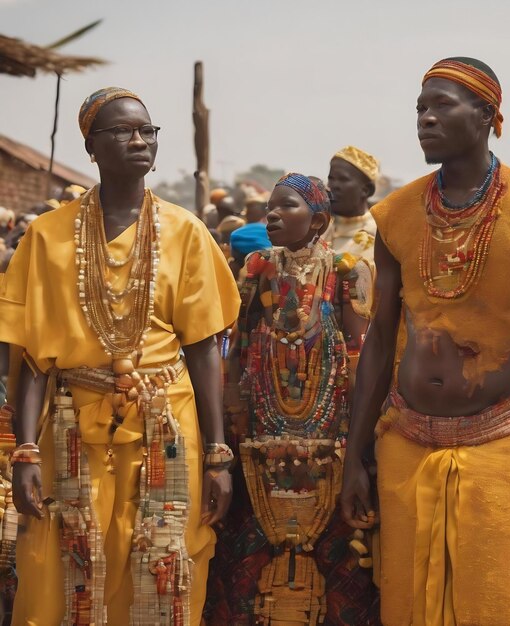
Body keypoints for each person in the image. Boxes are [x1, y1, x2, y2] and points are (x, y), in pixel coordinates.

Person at [340, 57, 510, 626]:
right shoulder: (396, 214)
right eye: (420, 108)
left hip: (503, 441)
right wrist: (355, 454)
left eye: (441, 105)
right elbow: (379, 339)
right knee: (405, 604)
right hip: (405, 438)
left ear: (489, 116)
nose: (424, 119)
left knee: (493, 606)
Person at [0, 87, 240, 625]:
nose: (139, 141)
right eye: (123, 131)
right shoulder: (46, 236)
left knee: (163, 567)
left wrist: (219, 452)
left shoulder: (187, 233)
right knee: (58, 568)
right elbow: (33, 358)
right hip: (70, 427)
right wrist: (26, 452)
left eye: (148, 131)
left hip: (167, 425)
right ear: (91, 147)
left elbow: (203, 349)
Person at [206, 174, 377, 625]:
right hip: (259, 444)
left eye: (287, 207)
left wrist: (360, 448)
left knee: (339, 571)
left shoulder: (347, 272)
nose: (273, 215)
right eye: (271, 208)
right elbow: (237, 350)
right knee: (245, 572)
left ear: (318, 220)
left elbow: (360, 361)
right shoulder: (257, 267)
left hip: (331, 445)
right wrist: (229, 425)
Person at [326, 146, 379, 263]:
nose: (333, 186)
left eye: (343, 179)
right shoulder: (319, 230)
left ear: (366, 190)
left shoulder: (380, 234)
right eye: (331, 179)